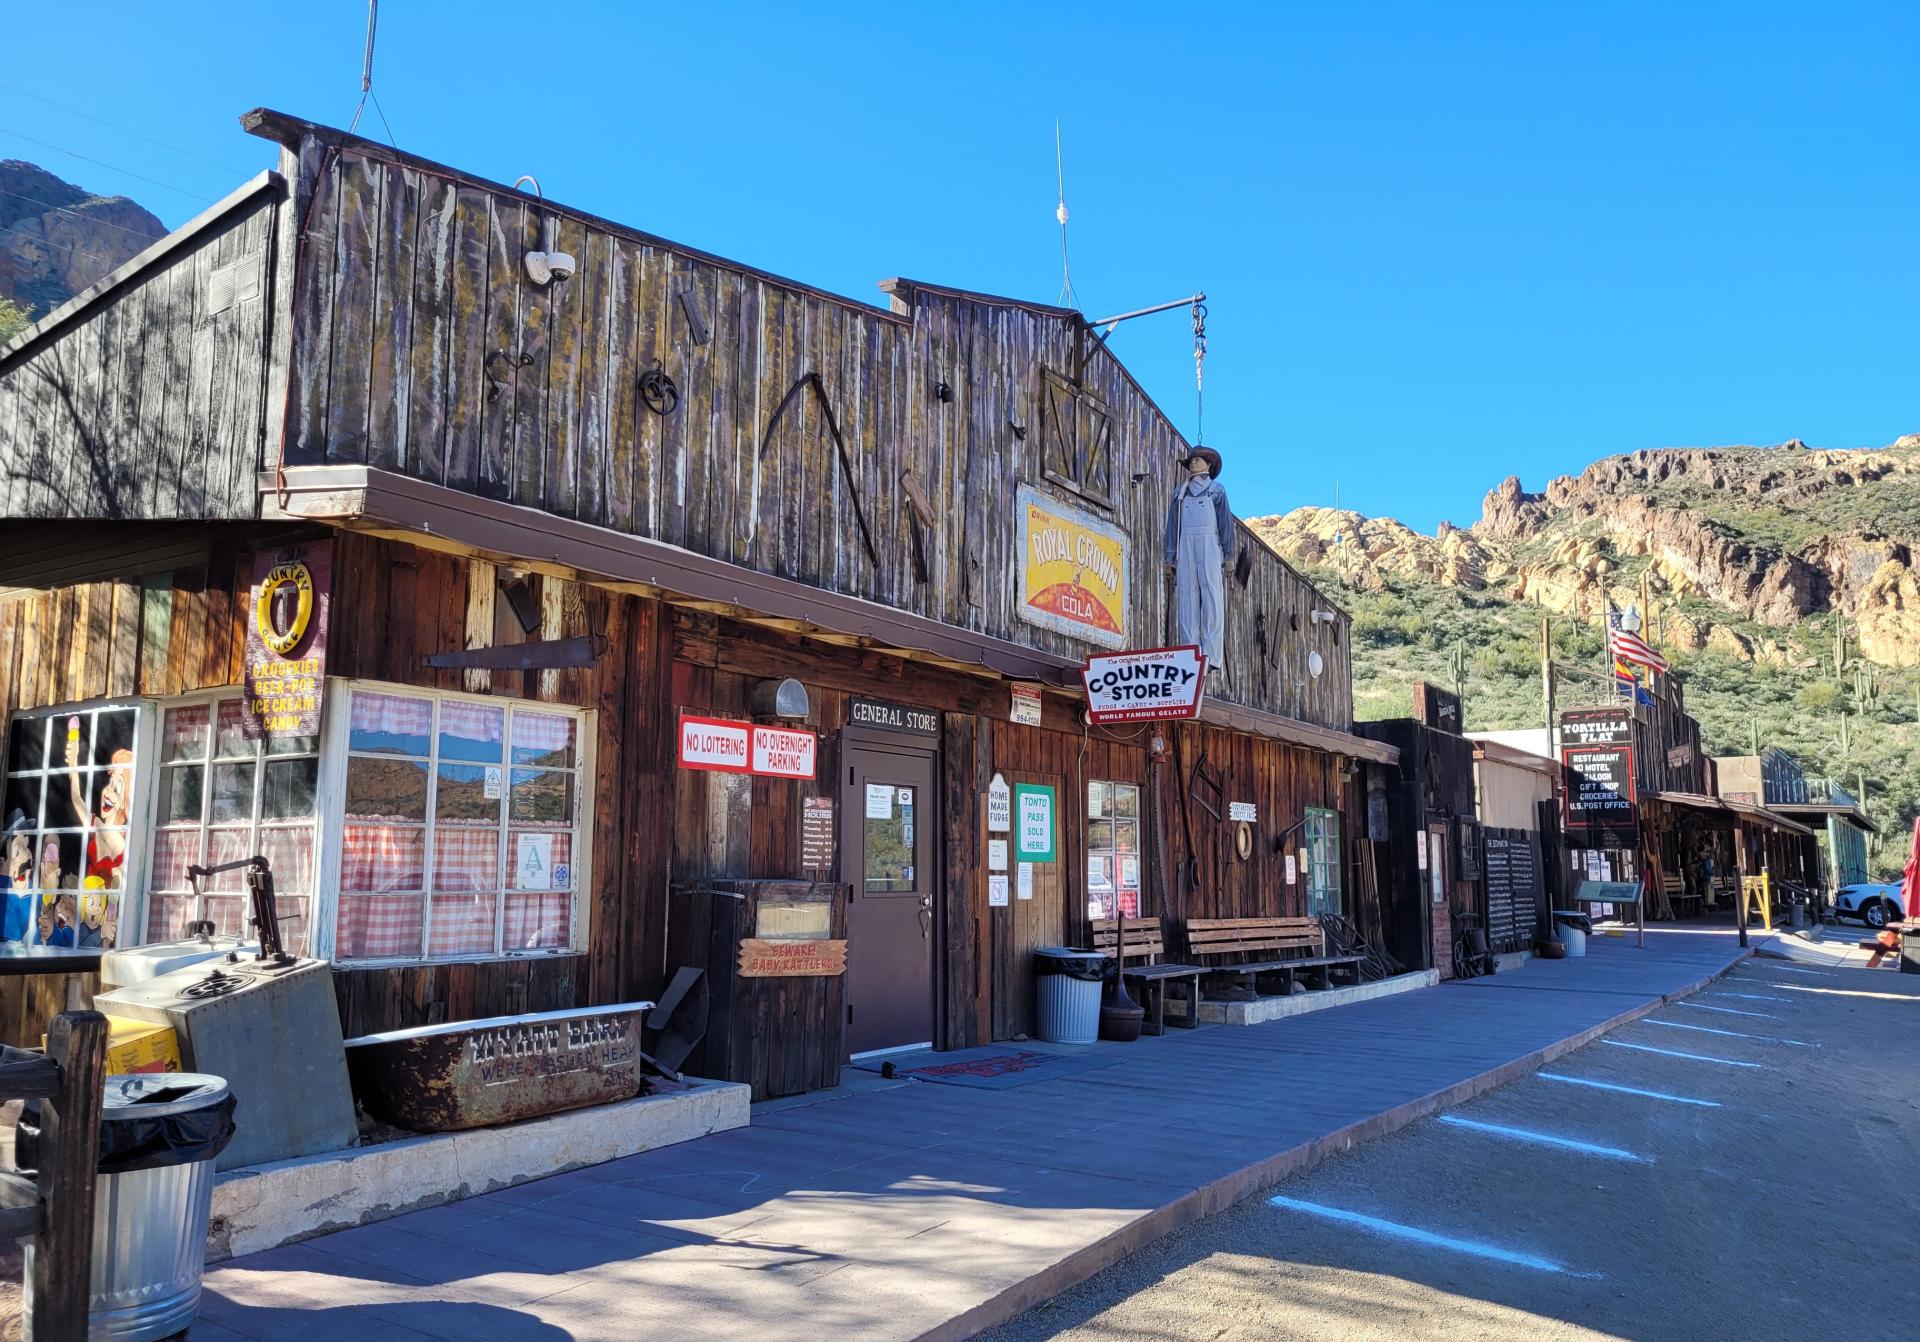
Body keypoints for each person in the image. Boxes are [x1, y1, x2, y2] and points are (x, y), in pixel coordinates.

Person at [1165, 447, 1236, 674]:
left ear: (1209, 464)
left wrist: (1229, 555)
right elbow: (1172, 527)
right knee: (1187, 595)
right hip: (1185, 544)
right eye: (1191, 460)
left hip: (1209, 544)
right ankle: (1190, 653)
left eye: (1198, 460)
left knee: (1211, 595)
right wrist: (1170, 557)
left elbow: (1225, 524)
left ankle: (1211, 654)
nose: (1194, 463)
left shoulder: (1216, 491)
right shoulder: (1180, 493)